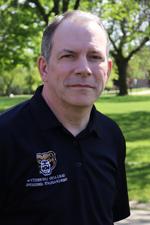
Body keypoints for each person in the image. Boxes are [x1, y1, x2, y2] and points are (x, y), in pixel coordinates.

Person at [0, 10, 130, 225]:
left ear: (107, 69)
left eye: (95, 57)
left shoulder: (111, 135)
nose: (84, 69)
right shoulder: (5, 136)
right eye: (68, 56)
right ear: (44, 68)